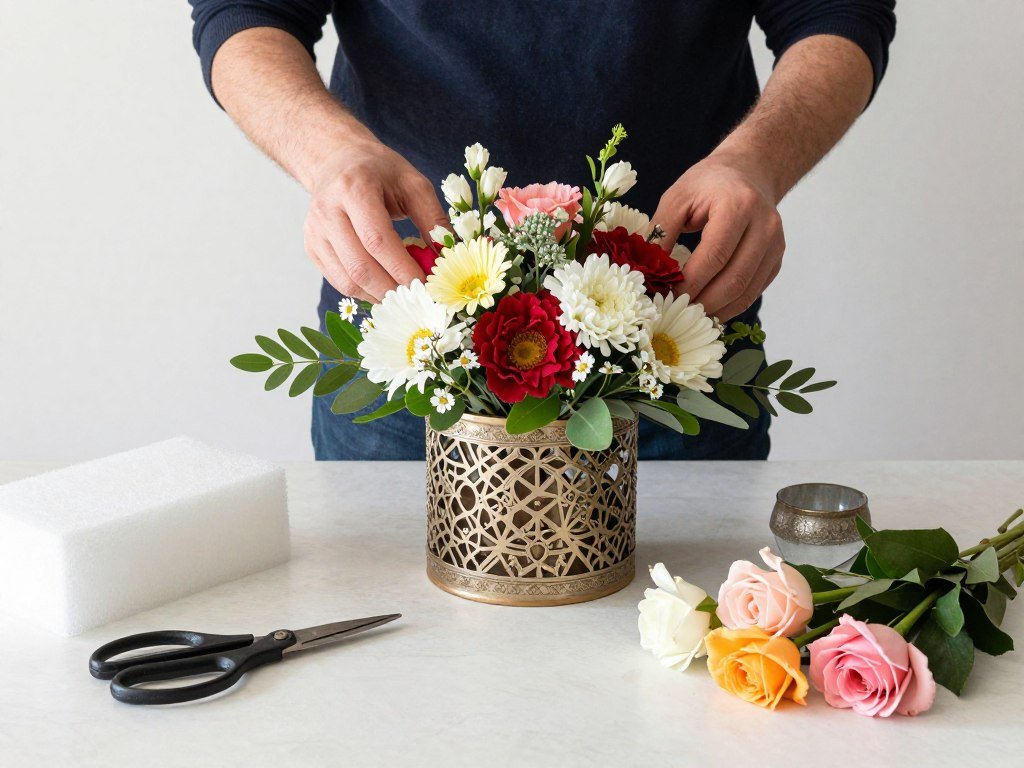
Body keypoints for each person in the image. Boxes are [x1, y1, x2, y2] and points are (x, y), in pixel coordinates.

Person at [188, 0, 895, 460]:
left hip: (675, 340)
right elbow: (242, 11)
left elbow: (836, 11)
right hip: (408, 339)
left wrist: (758, 163)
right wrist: (330, 155)